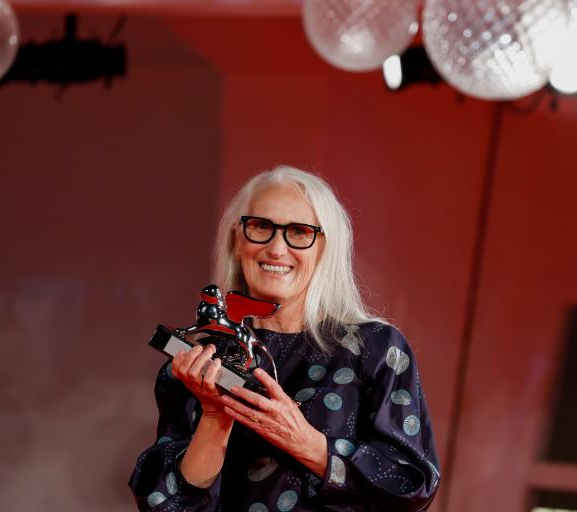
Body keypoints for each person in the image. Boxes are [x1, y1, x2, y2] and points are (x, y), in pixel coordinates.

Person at [128, 166, 441, 512]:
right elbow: (167, 505)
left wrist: (306, 442)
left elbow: (409, 486)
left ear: (325, 248)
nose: (277, 248)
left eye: (299, 232)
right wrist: (215, 415)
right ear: (237, 240)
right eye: (261, 227)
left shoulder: (375, 350)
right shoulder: (202, 361)